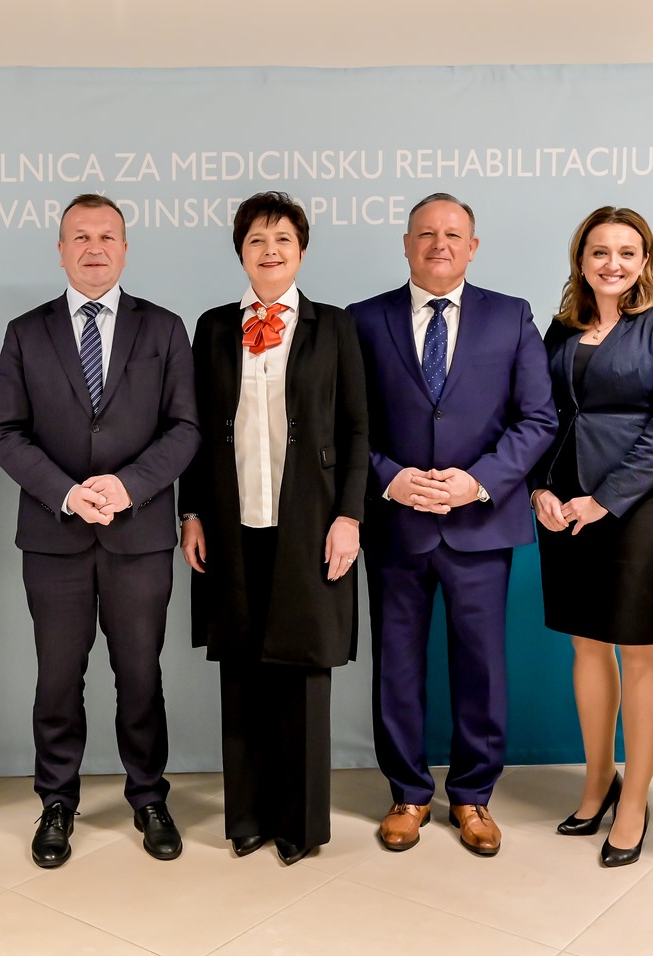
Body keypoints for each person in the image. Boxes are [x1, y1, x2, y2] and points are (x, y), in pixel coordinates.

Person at [0, 193, 198, 869]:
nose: (94, 247)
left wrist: (129, 486)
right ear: (60, 250)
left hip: (140, 535)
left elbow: (185, 428)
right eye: (80, 236)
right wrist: (68, 493)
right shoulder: (26, 332)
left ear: (125, 249)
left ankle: (148, 796)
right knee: (57, 679)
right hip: (56, 537)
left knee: (140, 675)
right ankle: (56, 801)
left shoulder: (164, 328)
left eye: (107, 236)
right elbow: (4, 431)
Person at [350, 193, 555, 857]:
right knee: (396, 666)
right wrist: (388, 476)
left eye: (453, 234)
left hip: (480, 523)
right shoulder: (363, 320)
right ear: (407, 244)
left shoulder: (511, 316)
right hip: (396, 523)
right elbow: (346, 424)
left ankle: (472, 795)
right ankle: (407, 793)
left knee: (481, 668)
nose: (439, 244)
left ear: (473, 246)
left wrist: (478, 482)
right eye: (426, 233)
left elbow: (537, 419)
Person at [178, 192, 368, 865]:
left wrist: (349, 516)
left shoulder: (334, 326)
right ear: (241, 252)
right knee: (241, 668)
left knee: (304, 669)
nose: (270, 250)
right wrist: (191, 512)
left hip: (310, 525)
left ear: (302, 251)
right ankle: (248, 817)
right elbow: (195, 431)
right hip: (232, 525)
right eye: (257, 239)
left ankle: (300, 824)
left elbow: (357, 428)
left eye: (283, 239)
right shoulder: (212, 328)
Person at [530, 207, 653, 866]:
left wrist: (605, 500)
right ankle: (598, 779)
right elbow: (541, 415)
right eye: (599, 252)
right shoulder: (562, 327)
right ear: (581, 259)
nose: (613, 264)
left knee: (638, 648)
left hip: (635, 508)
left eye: (627, 252)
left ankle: (634, 802)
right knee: (586, 644)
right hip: (563, 504)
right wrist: (539, 489)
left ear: (645, 259)